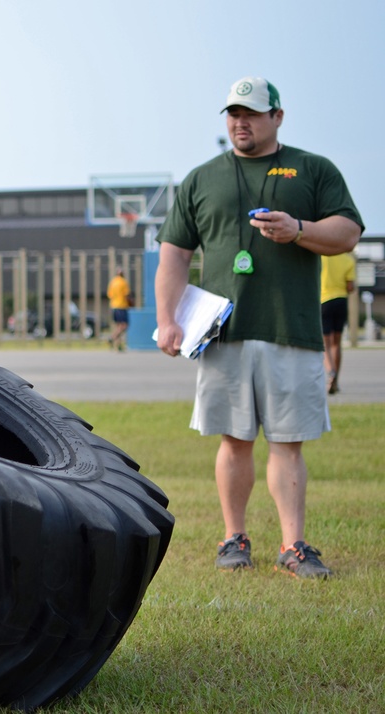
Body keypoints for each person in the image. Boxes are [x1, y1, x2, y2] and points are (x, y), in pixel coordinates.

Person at [154, 76, 362, 580]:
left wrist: (299, 229)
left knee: (288, 443)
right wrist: (166, 318)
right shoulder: (202, 179)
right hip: (223, 333)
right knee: (234, 440)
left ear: (277, 117)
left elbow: (348, 232)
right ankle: (234, 538)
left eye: (250, 113)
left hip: (291, 329)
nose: (240, 122)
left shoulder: (312, 169)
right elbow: (174, 254)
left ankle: (293, 545)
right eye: (233, 113)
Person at [320, 251, 356, 394]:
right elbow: (350, 287)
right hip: (341, 301)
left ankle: (331, 373)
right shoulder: (348, 260)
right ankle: (336, 380)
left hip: (324, 300)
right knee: (336, 343)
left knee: (326, 343)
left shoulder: (322, 257)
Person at [106, 268, 132, 351]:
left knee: (118, 326)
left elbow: (109, 295)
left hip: (114, 306)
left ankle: (118, 345)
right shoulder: (123, 282)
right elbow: (126, 295)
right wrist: (131, 303)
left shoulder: (113, 282)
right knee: (124, 325)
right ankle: (112, 337)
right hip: (122, 306)